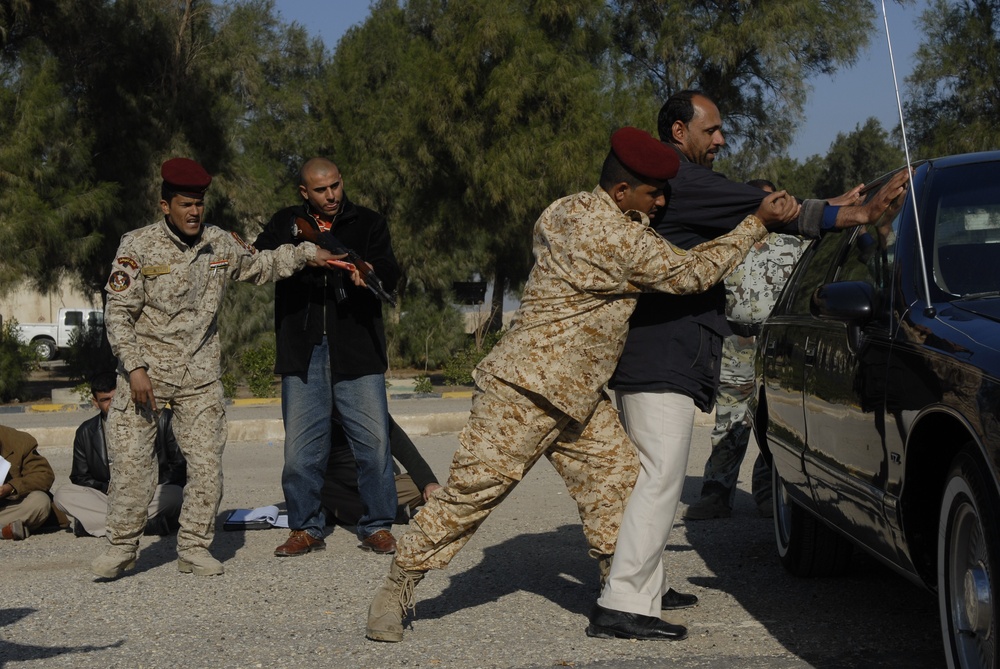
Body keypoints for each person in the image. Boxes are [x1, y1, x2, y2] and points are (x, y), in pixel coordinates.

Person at [365, 126, 801, 644]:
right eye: (653, 193)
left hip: (577, 394)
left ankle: (627, 592)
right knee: (471, 496)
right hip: (524, 390)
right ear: (621, 193)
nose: (662, 201)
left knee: (619, 477)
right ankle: (397, 588)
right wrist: (754, 224)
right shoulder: (614, 236)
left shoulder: (565, 209)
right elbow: (690, 274)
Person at [596, 91, 911, 635]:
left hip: (655, 356)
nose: (720, 139)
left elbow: (761, 206)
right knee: (659, 480)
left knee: (648, 480)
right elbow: (758, 207)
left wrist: (825, 205)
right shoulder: (687, 183)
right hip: (662, 359)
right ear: (678, 131)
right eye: (711, 129)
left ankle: (642, 587)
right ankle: (623, 603)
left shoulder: (680, 188)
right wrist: (854, 213)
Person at [91, 157, 338, 580]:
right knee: (133, 466)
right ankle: (121, 547)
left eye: (199, 204)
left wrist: (305, 253)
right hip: (145, 375)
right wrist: (133, 368)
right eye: (185, 204)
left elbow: (260, 265)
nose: (194, 212)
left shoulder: (219, 243)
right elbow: (118, 313)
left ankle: (194, 547)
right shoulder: (138, 246)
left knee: (206, 467)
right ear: (165, 205)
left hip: (199, 376)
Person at [253, 157, 401, 559]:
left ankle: (378, 525)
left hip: (357, 349)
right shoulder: (286, 221)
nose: (332, 195)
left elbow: (390, 267)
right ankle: (305, 527)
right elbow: (259, 259)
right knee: (301, 451)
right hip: (302, 351)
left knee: (373, 445)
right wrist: (304, 254)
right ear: (305, 192)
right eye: (321, 190)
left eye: (335, 185)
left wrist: (369, 270)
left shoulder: (368, 222)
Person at [683, 179, 810, 521]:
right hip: (736, 343)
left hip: (779, 345)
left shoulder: (796, 244)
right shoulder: (728, 244)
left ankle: (770, 491)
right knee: (729, 419)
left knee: (777, 419)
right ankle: (716, 495)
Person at [54, 372, 187, 537]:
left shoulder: (162, 419)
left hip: (151, 494)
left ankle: (100, 525)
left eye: (116, 397)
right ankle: (146, 525)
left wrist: (145, 488)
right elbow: (80, 478)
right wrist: (110, 490)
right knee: (62, 495)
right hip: (109, 498)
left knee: (175, 495)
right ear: (95, 403)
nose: (113, 404)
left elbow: (179, 467)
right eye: (105, 400)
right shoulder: (86, 432)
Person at [322, 415, 440, 527]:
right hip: (333, 484)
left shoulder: (368, 404)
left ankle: (339, 513)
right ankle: (384, 513)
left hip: (372, 483)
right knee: (314, 489)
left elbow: (401, 444)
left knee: (418, 489)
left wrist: (429, 482)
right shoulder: (314, 405)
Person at [0, 425, 57, 540]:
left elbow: (43, 475)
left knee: (40, 501)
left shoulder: (18, 441)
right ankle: (5, 531)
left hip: (6, 509)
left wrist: (11, 487)